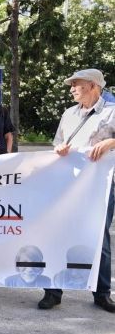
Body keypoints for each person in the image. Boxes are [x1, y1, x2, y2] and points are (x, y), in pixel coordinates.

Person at [38, 69, 115, 312]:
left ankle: (102, 293)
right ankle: (53, 292)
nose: (71, 88)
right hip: (68, 184)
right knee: (58, 234)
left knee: (99, 238)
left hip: (100, 186)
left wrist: (111, 141)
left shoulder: (112, 112)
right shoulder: (69, 113)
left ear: (93, 86)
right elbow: (57, 144)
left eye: (76, 84)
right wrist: (59, 149)